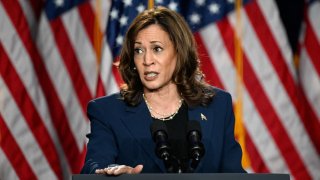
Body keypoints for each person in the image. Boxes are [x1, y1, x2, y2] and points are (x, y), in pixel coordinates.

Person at [81, 6, 246, 175]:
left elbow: (233, 173)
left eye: (157, 49)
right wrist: (114, 173)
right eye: (139, 50)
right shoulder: (107, 111)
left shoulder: (217, 105)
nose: (147, 60)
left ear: (179, 52)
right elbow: (93, 166)